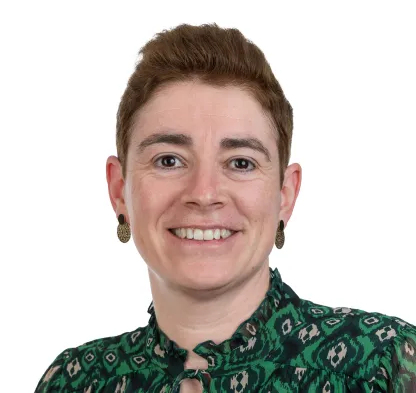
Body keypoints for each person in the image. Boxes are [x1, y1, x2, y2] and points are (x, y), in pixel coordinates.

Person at [35, 23, 416, 393]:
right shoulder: (74, 380)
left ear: (285, 194)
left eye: (241, 163)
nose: (204, 194)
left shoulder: (385, 363)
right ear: (119, 190)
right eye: (169, 160)